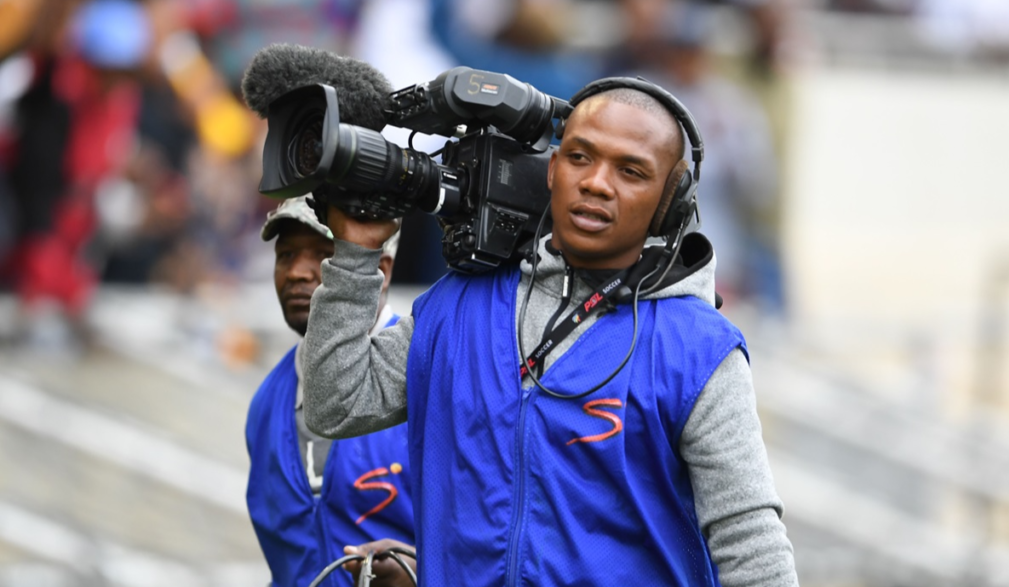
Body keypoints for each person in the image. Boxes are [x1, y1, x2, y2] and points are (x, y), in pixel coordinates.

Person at [301, 80, 798, 585]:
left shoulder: (698, 350)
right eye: (581, 158)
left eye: (631, 171)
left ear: (668, 203)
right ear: (554, 169)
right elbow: (335, 403)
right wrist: (356, 255)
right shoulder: (458, 304)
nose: (597, 183)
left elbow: (750, 542)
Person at [246, 195, 414, 587]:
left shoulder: (423, 381)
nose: (297, 273)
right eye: (285, 255)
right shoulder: (268, 404)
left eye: (324, 254)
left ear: (381, 271)